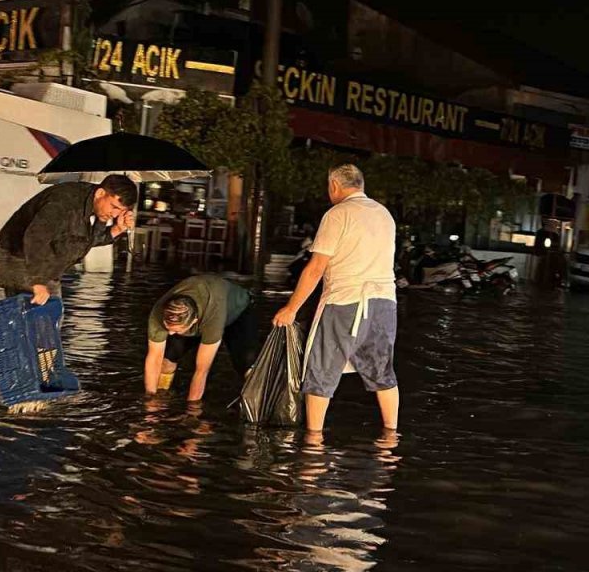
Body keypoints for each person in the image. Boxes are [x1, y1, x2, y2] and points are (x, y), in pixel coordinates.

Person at [274, 164, 398, 434]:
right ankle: (391, 436)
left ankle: (314, 441)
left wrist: (291, 308)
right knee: (382, 371)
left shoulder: (338, 214)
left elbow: (316, 268)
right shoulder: (385, 214)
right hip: (385, 303)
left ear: (334, 186)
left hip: (346, 300)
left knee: (320, 368)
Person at [0, 174, 137, 304]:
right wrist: (37, 281)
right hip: (17, 259)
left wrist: (117, 229)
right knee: (37, 319)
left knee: (48, 321)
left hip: (45, 269)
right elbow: (36, 236)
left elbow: (85, 242)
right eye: (114, 207)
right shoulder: (64, 203)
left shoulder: (98, 209)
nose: (115, 214)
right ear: (100, 193)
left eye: (121, 211)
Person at [143, 274, 258, 402]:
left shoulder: (211, 319)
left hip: (237, 312)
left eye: (175, 330)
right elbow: (154, 359)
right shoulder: (159, 312)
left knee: (247, 366)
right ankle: (161, 397)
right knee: (167, 359)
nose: (169, 334)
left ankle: (255, 405)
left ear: (194, 322)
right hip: (201, 307)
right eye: (167, 328)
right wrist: (150, 401)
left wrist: (192, 413)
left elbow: (202, 371)